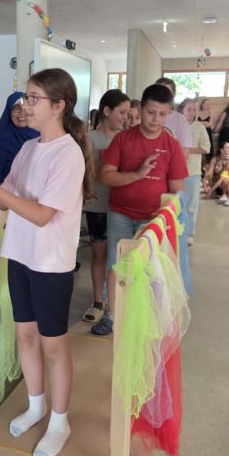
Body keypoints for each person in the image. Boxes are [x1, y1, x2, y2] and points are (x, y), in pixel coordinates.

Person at [0, 68, 94, 456]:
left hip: (50, 263)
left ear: (58, 106)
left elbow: (42, 214)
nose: (24, 105)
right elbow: (5, 193)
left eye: (32, 98)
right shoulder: (28, 148)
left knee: (53, 345)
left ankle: (60, 422)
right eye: (24, 96)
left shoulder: (68, 154)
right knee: (25, 336)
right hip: (21, 255)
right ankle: (35, 405)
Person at [92, 83, 188, 336]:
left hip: (153, 219)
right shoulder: (123, 139)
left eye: (162, 114)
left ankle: (148, 316)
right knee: (116, 264)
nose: (156, 119)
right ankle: (112, 315)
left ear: (169, 114)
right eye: (151, 112)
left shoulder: (172, 145)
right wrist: (136, 174)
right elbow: (105, 176)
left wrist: (165, 218)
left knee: (151, 268)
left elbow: (177, 191)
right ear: (141, 109)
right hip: (120, 213)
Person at [82, 89, 130, 323]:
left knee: (120, 257)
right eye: (122, 112)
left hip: (122, 206)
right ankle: (98, 301)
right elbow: (82, 171)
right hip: (97, 205)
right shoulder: (89, 138)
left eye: (128, 113)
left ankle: (116, 301)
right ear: (107, 111)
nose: (125, 118)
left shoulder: (127, 139)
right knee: (99, 255)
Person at [0, 91, 39, 185]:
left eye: (25, 108)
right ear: (9, 112)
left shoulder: (38, 136)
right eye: (16, 108)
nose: (22, 113)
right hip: (4, 190)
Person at [178, 99, 210, 245]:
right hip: (175, 171)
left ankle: (189, 233)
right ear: (181, 111)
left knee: (191, 204)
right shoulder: (176, 126)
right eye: (189, 110)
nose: (192, 113)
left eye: (194, 110)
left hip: (193, 171)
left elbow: (206, 148)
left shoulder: (200, 128)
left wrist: (188, 150)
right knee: (175, 202)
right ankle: (175, 231)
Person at [155, 77, 192, 159]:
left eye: (167, 92)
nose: (162, 96)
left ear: (173, 96)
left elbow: (184, 154)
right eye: (158, 91)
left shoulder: (180, 120)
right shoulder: (145, 116)